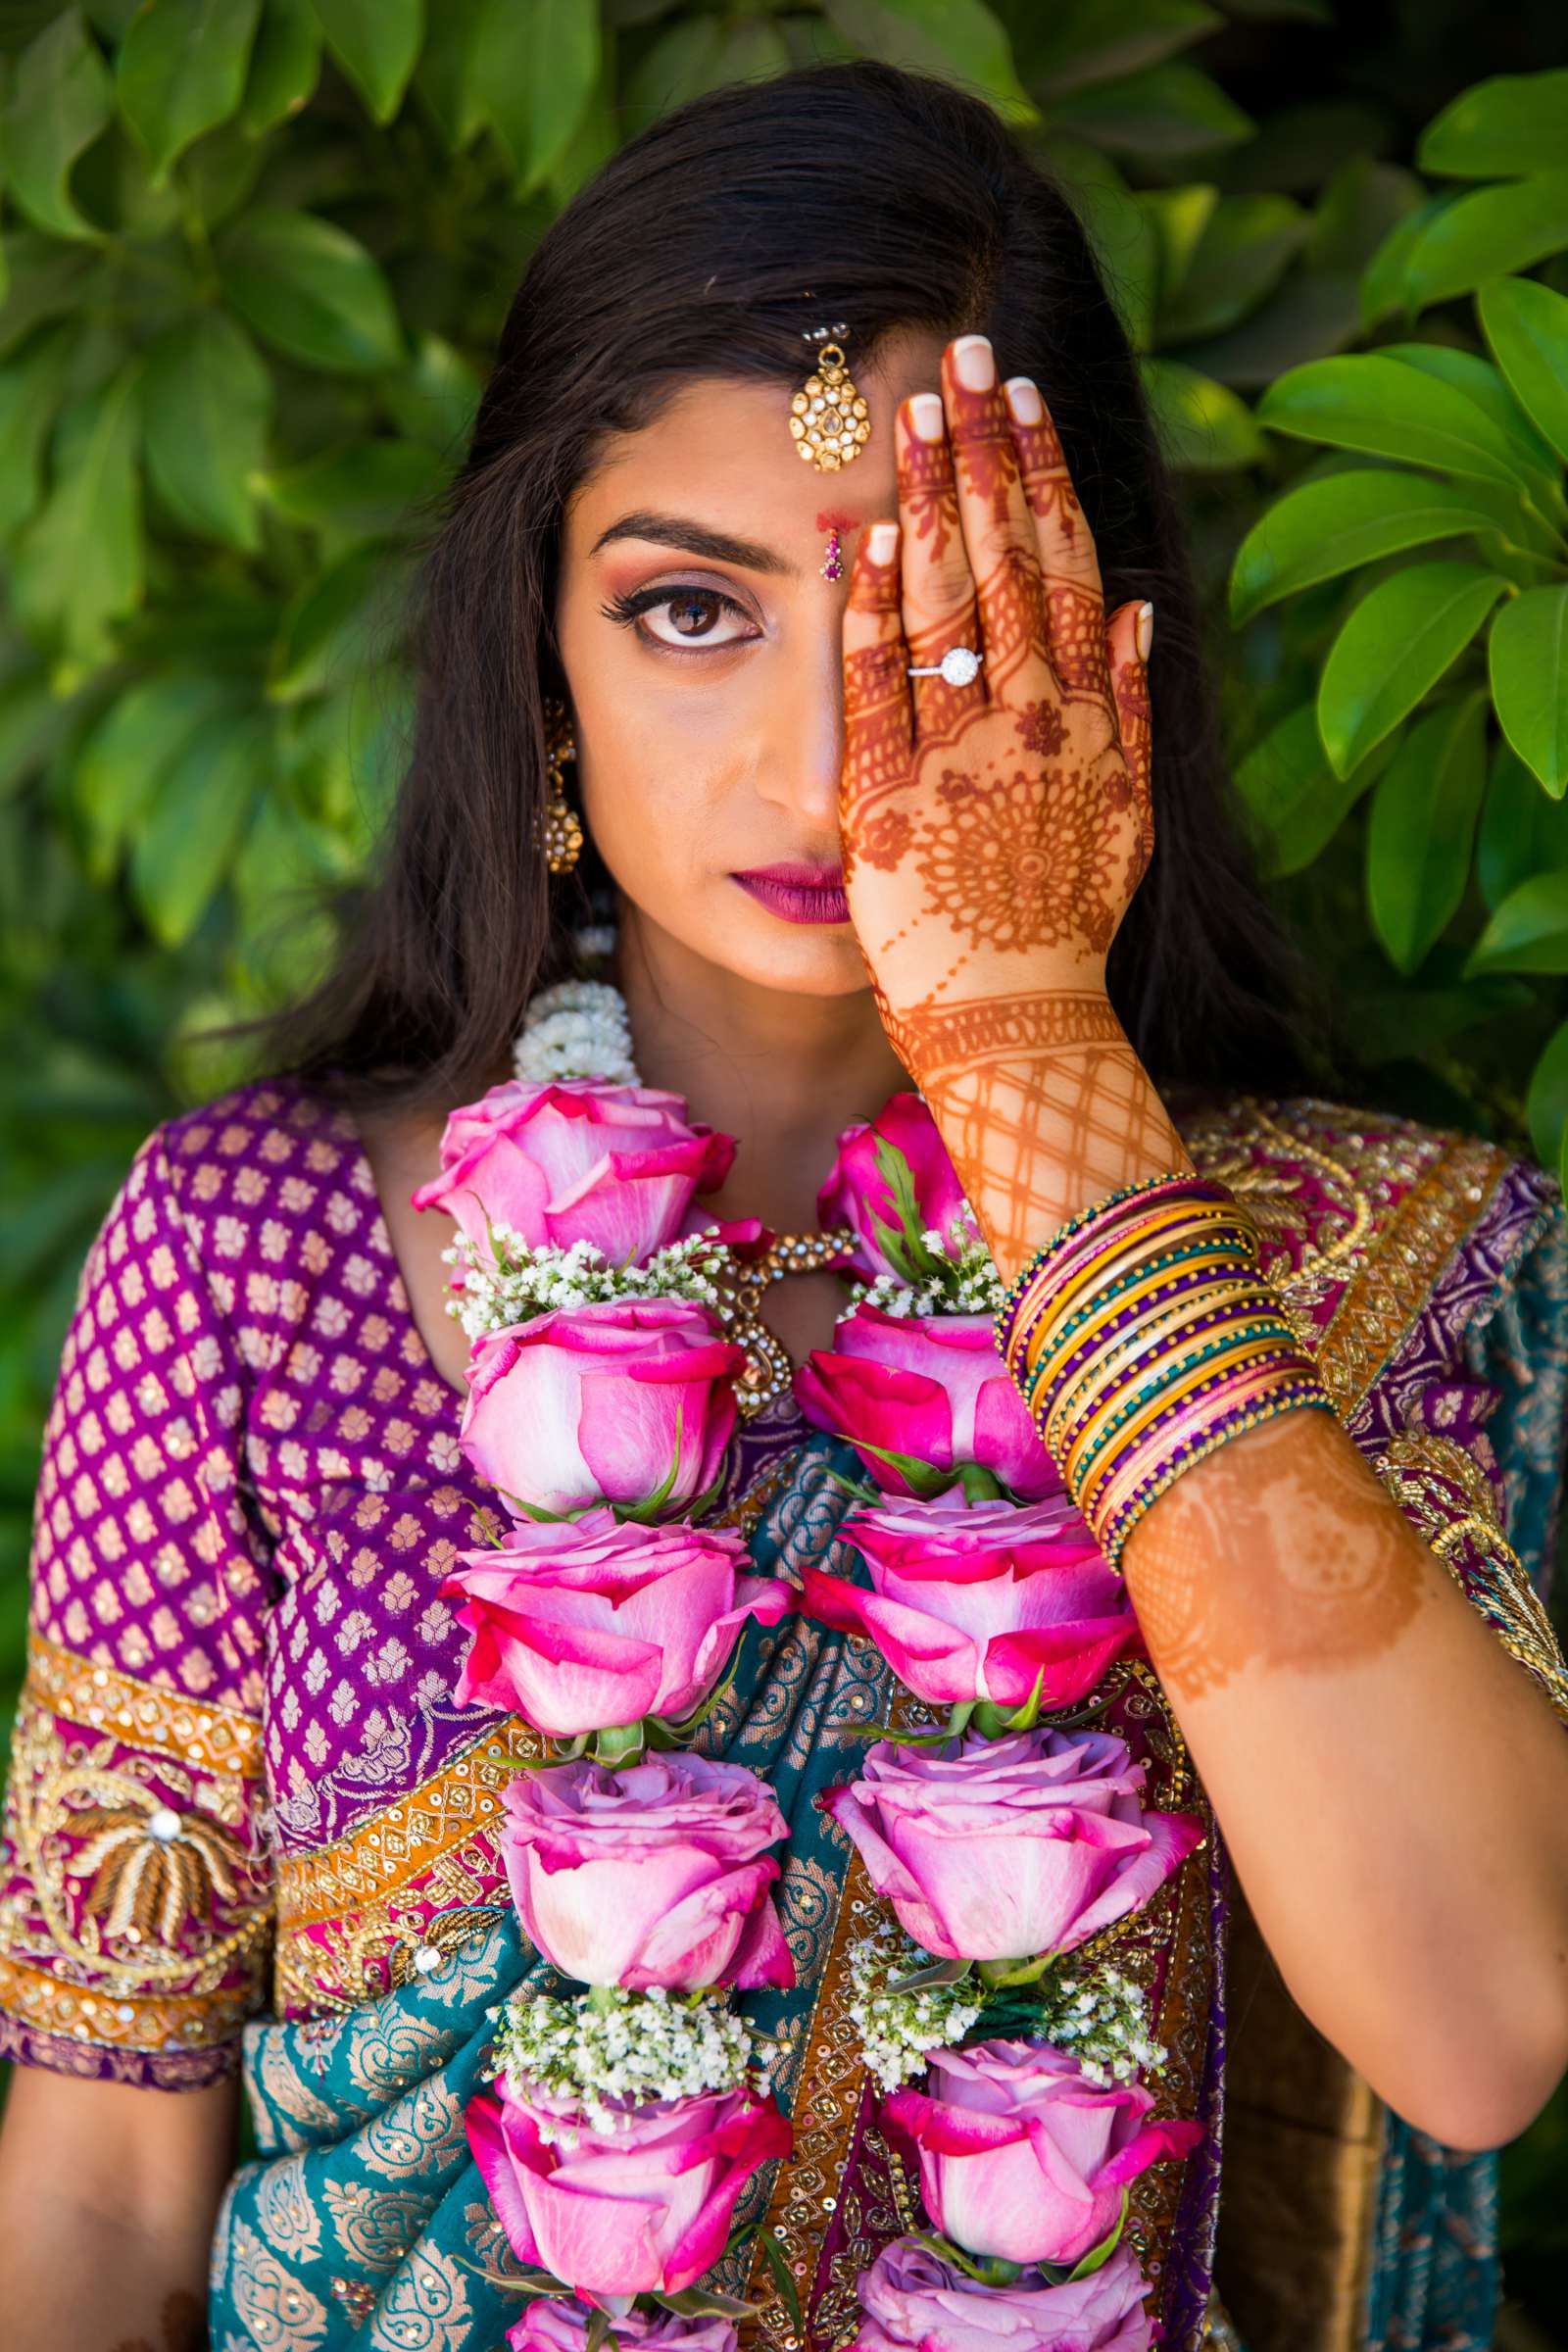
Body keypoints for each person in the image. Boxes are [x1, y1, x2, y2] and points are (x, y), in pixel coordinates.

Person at [1, 57, 1565, 2352]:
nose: (823, 762)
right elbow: (102, 2194)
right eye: (689, 612)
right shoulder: (250, 1254)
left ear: (1089, 656)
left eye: (918, 628)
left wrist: (1032, 1063)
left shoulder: (1359, 1262)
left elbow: (1477, 2028)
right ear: (538, 652)